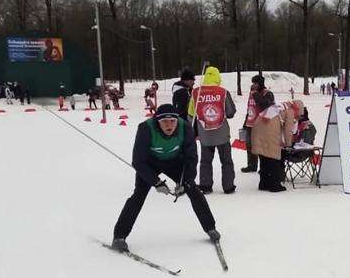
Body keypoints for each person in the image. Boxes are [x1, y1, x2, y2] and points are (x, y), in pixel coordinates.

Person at [111, 104, 220, 253]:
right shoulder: (146, 128)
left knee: (192, 189)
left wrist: (185, 181)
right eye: (164, 122)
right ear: (157, 121)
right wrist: (155, 182)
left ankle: (210, 228)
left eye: (172, 121)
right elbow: (138, 161)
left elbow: (191, 158)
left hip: (174, 161)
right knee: (138, 195)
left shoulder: (185, 127)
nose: (169, 125)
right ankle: (119, 236)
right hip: (150, 163)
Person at [187, 66, 237, 194]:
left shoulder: (196, 92)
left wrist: (194, 131)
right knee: (226, 161)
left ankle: (205, 185)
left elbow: (191, 114)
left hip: (205, 134)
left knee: (205, 161)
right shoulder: (223, 92)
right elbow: (230, 112)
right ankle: (228, 186)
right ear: (217, 77)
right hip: (222, 133)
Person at [251, 96, 302, 193]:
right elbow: (288, 130)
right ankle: (274, 185)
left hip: (258, 127)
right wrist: (288, 144)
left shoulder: (280, 106)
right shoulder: (290, 111)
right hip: (269, 132)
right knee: (274, 158)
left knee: (264, 157)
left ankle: (264, 183)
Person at [241, 75, 274, 173]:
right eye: (253, 83)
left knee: (261, 146)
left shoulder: (267, 93)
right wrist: (245, 122)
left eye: (255, 83)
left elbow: (266, 105)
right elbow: (250, 108)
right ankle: (251, 165)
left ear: (260, 84)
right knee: (249, 145)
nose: (253, 85)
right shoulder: (252, 93)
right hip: (250, 123)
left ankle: (264, 167)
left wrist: (255, 94)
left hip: (261, 124)